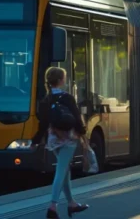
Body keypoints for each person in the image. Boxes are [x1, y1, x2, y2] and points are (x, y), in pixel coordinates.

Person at [39, 67, 89, 218]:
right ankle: (52, 206)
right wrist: (83, 133)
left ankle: (71, 203)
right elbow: (77, 117)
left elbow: (43, 123)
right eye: (64, 77)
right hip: (68, 138)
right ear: (61, 80)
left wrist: (36, 140)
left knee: (65, 169)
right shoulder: (67, 97)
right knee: (61, 171)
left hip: (54, 138)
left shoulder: (46, 99)